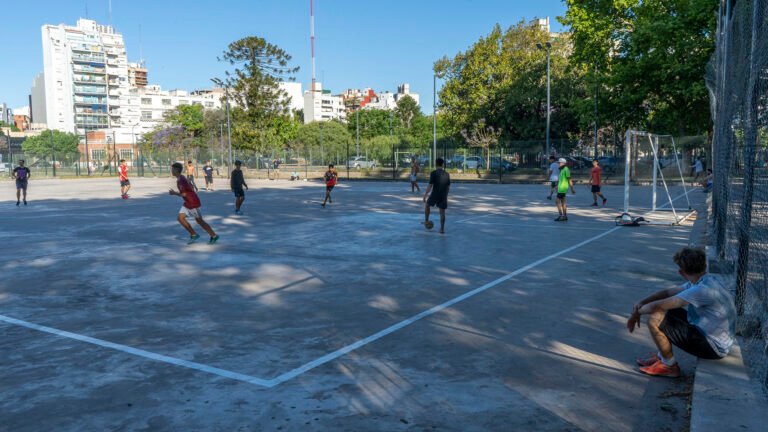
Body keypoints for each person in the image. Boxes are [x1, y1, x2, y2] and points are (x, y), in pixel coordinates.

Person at [627, 247, 736, 377]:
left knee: (655, 318)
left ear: (681, 272)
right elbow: (667, 293)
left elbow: (658, 306)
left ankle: (670, 366)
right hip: (719, 340)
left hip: (714, 347)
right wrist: (642, 302)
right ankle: (663, 357)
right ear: (704, 266)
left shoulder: (700, 290)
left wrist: (636, 313)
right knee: (669, 311)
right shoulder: (705, 280)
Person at [169, 162, 218, 244]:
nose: (171, 170)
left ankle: (214, 236)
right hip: (188, 202)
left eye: (173, 169)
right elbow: (190, 188)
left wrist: (174, 193)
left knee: (200, 221)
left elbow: (184, 193)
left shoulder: (181, 180)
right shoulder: (180, 178)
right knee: (180, 218)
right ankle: (193, 234)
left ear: (177, 170)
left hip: (192, 203)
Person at [423, 157, 451, 234]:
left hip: (435, 194)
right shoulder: (447, 174)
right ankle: (442, 229)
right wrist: (446, 195)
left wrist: (425, 195)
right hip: (443, 195)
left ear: (435, 164)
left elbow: (430, 185)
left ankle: (426, 220)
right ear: (442, 164)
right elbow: (448, 187)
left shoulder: (433, 173)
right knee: (442, 213)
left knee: (427, 206)